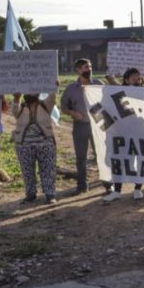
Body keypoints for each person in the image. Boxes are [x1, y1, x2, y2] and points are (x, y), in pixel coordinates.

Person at [103, 68, 144, 203]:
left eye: (139, 78)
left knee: (140, 161)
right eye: (134, 78)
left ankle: (138, 189)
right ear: (126, 80)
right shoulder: (118, 92)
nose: (137, 81)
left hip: (139, 131)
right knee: (120, 161)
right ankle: (117, 191)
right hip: (121, 132)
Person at [60, 58, 103, 194]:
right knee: (81, 158)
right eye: (85, 67)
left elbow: (108, 101)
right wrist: (73, 113)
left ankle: (108, 184)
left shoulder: (99, 84)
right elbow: (63, 107)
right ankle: (82, 185)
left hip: (98, 125)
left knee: (101, 155)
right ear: (78, 70)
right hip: (80, 126)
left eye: (90, 66)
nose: (89, 69)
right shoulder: (71, 89)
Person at [12, 84, 59, 204]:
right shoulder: (20, 107)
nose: (30, 93)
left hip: (46, 144)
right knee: (27, 171)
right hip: (24, 145)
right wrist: (16, 97)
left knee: (48, 169)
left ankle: (50, 194)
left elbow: (52, 96)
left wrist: (53, 84)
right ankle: (30, 194)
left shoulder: (45, 105)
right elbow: (15, 110)